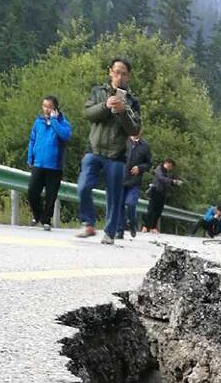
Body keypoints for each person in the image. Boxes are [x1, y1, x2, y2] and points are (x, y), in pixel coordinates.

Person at [76, 57, 141, 245]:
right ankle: (88, 223)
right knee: (83, 187)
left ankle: (110, 233)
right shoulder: (98, 92)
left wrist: (122, 112)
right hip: (94, 149)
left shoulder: (132, 102)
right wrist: (106, 105)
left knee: (114, 196)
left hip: (117, 155)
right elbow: (88, 113)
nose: (119, 76)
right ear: (110, 72)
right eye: (116, 71)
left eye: (124, 73)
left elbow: (135, 129)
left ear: (128, 77)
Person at [26, 96, 71, 230]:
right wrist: (30, 157)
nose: (46, 109)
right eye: (44, 106)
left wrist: (54, 121)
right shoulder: (38, 122)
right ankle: (38, 215)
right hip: (38, 163)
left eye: (49, 106)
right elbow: (32, 140)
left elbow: (65, 136)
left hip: (54, 166)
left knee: (51, 195)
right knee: (32, 191)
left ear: (55, 108)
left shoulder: (63, 123)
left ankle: (46, 220)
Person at [117, 130, 151, 239]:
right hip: (120, 179)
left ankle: (132, 223)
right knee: (119, 206)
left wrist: (140, 168)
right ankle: (119, 231)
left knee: (131, 204)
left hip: (134, 182)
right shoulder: (122, 141)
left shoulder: (145, 146)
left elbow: (149, 164)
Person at [141, 158, 181, 233]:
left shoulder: (168, 173)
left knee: (158, 211)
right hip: (155, 191)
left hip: (162, 193)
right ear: (168, 163)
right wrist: (172, 181)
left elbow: (168, 181)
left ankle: (153, 227)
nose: (171, 168)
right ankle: (145, 226)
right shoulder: (159, 168)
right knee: (151, 209)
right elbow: (162, 178)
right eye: (171, 166)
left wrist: (174, 183)